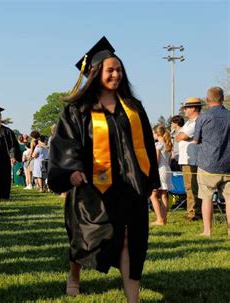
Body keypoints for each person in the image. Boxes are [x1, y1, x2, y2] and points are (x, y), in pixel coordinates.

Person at [48, 37, 159, 302]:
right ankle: (74, 274)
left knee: (129, 240)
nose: (116, 74)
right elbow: (66, 141)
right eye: (110, 70)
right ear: (96, 73)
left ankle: (133, 298)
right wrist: (71, 169)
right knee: (85, 237)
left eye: (119, 69)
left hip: (129, 185)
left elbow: (144, 144)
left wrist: (149, 179)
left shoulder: (133, 108)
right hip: (91, 187)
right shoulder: (78, 109)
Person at [194, 87, 230, 236]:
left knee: (206, 197)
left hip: (207, 164)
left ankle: (207, 231)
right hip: (228, 164)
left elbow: (196, 140)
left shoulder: (204, 117)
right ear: (222, 99)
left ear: (208, 100)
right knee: (229, 199)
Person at [176, 97, 203, 221]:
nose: (184, 110)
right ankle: (192, 211)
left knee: (193, 187)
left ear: (193, 108)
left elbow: (183, 135)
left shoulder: (197, 121)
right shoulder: (188, 123)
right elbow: (178, 137)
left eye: (186, 108)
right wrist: (181, 136)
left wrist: (181, 136)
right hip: (186, 159)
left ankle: (194, 213)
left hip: (192, 159)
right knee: (189, 187)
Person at [149, 124, 173, 225]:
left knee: (153, 195)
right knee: (163, 195)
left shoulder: (158, 144)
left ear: (156, 133)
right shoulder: (167, 145)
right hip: (167, 170)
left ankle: (159, 219)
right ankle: (164, 218)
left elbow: (156, 160)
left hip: (159, 170)